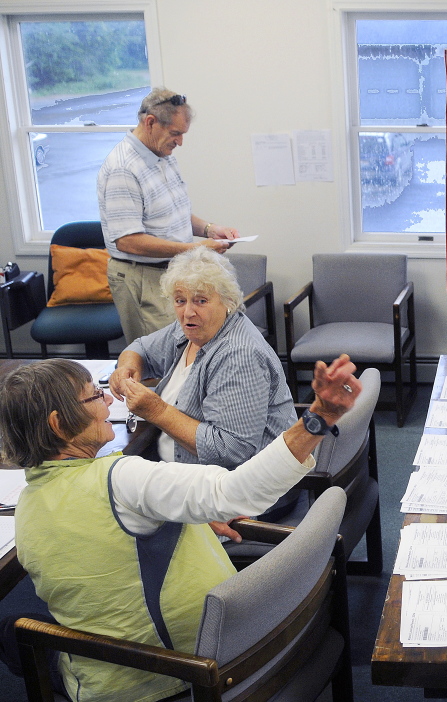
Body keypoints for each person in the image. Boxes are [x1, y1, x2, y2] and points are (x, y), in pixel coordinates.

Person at [0, 356, 360, 701]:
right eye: (94, 396)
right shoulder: (123, 479)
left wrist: (187, 516)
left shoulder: (27, 509)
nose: (109, 398)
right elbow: (238, 492)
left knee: (17, 628)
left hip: (147, 668)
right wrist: (319, 416)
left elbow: (102, 546)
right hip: (183, 671)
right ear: (58, 424)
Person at [108, 247, 297, 524]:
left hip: (233, 492)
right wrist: (127, 366)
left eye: (201, 300)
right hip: (184, 475)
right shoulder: (189, 329)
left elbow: (232, 450)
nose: (187, 312)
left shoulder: (238, 355)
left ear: (227, 301)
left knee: (111, 514)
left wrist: (157, 411)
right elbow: (141, 349)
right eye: (179, 300)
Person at [98, 87, 240, 343]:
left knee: (186, 349)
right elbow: (127, 240)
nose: (180, 142)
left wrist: (208, 229)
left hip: (170, 270)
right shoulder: (123, 168)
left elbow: (173, 215)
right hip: (142, 276)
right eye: (175, 133)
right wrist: (193, 248)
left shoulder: (162, 155)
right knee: (161, 356)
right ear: (150, 122)